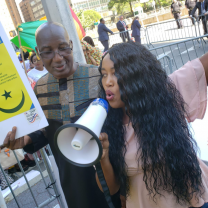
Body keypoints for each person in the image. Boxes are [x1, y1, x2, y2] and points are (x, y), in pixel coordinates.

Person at [3, 22, 121, 208]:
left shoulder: (98, 78)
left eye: (63, 48)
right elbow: (46, 130)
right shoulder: (40, 88)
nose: (58, 58)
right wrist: (25, 139)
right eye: (47, 51)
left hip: (109, 177)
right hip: (73, 184)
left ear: (71, 45)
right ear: (38, 52)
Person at [96, 42, 208, 208]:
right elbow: (111, 188)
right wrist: (102, 156)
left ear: (137, 74)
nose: (108, 82)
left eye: (115, 73)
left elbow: (203, 66)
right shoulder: (105, 122)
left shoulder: (166, 94)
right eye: (104, 75)